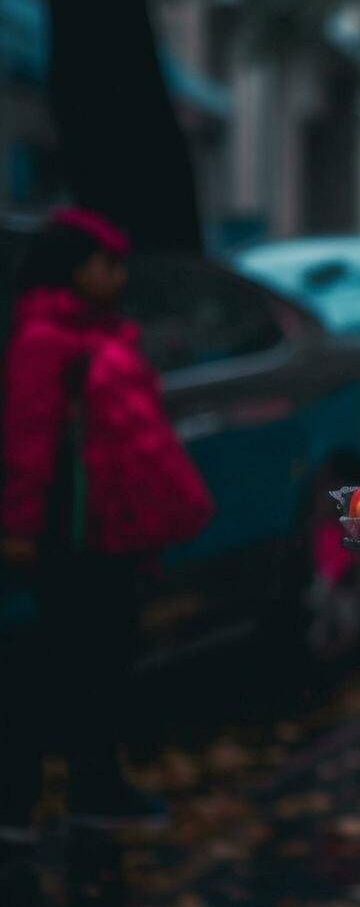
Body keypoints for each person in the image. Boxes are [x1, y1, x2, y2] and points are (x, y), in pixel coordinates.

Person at [0, 210, 212, 867]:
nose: (117, 276)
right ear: (75, 269)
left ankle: (96, 788)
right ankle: (16, 811)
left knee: (104, 666)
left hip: (112, 534)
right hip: (66, 539)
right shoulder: (44, 341)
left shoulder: (98, 333)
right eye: (106, 263)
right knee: (43, 674)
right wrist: (20, 531)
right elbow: (28, 445)